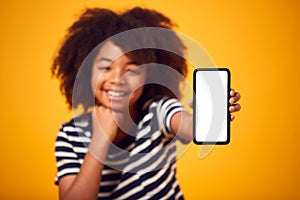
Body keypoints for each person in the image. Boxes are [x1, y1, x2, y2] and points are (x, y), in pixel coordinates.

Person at [52, 7, 241, 200]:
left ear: (148, 76)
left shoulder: (157, 111)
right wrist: (100, 140)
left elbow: (189, 126)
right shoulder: (70, 136)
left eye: (132, 70)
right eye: (106, 68)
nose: (118, 78)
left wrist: (208, 115)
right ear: (85, 71)